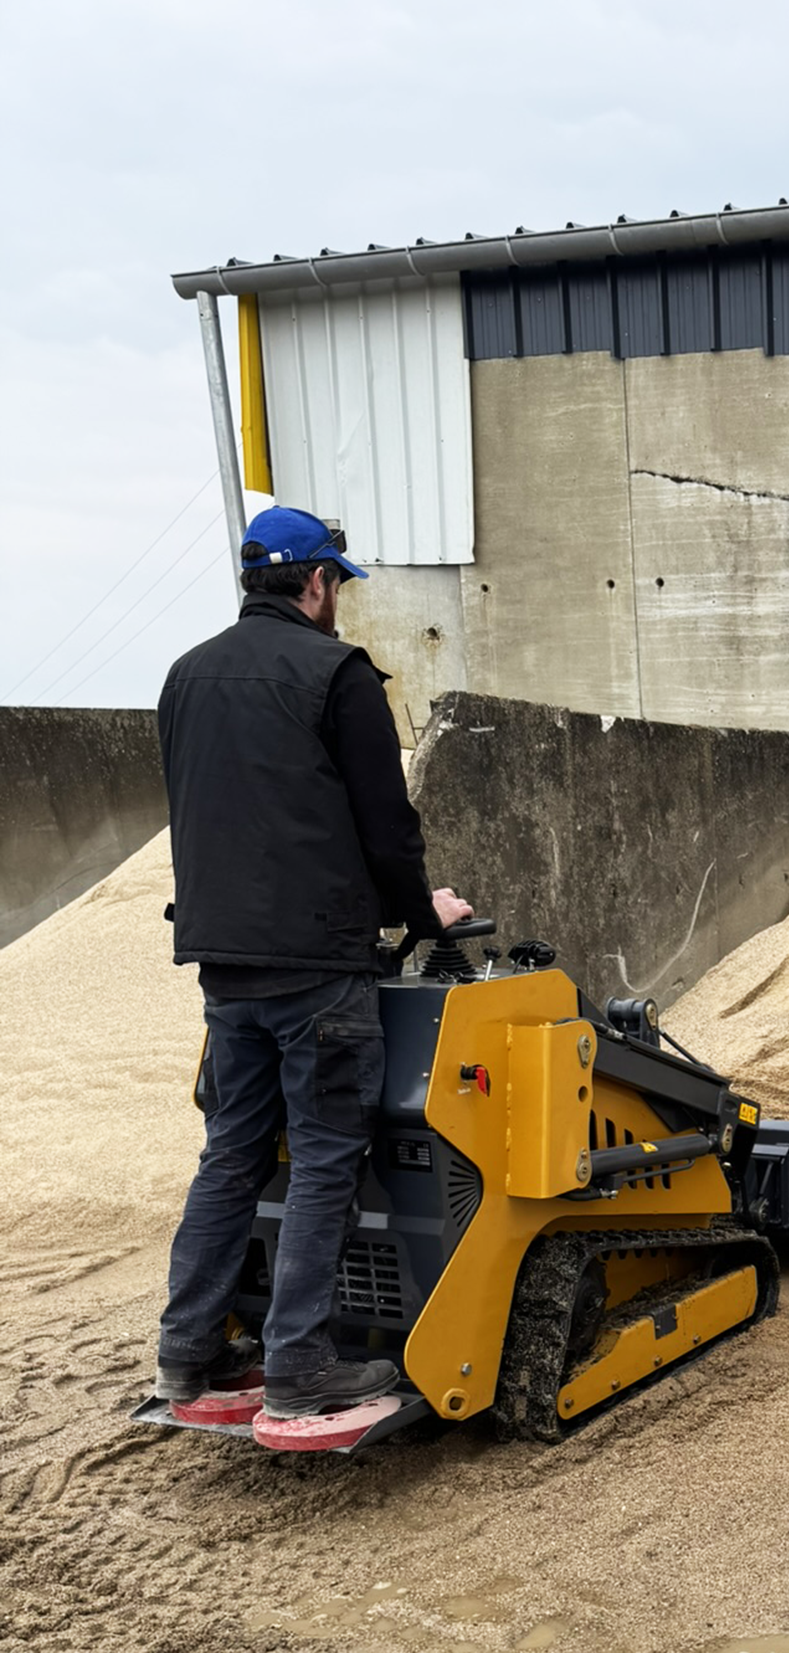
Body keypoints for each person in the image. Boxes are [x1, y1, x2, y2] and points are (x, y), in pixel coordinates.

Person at [154, 505, 470, 1420]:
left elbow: (230, 818)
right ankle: (299, 1368)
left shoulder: (184, 676)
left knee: (234, 1154)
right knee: (330, 1154)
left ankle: (187, 1358)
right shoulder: (337, 675)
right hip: (317, 970)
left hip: (223, 965)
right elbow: (385, 826)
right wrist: (428, 918)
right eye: (338, 584)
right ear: (319, 583)